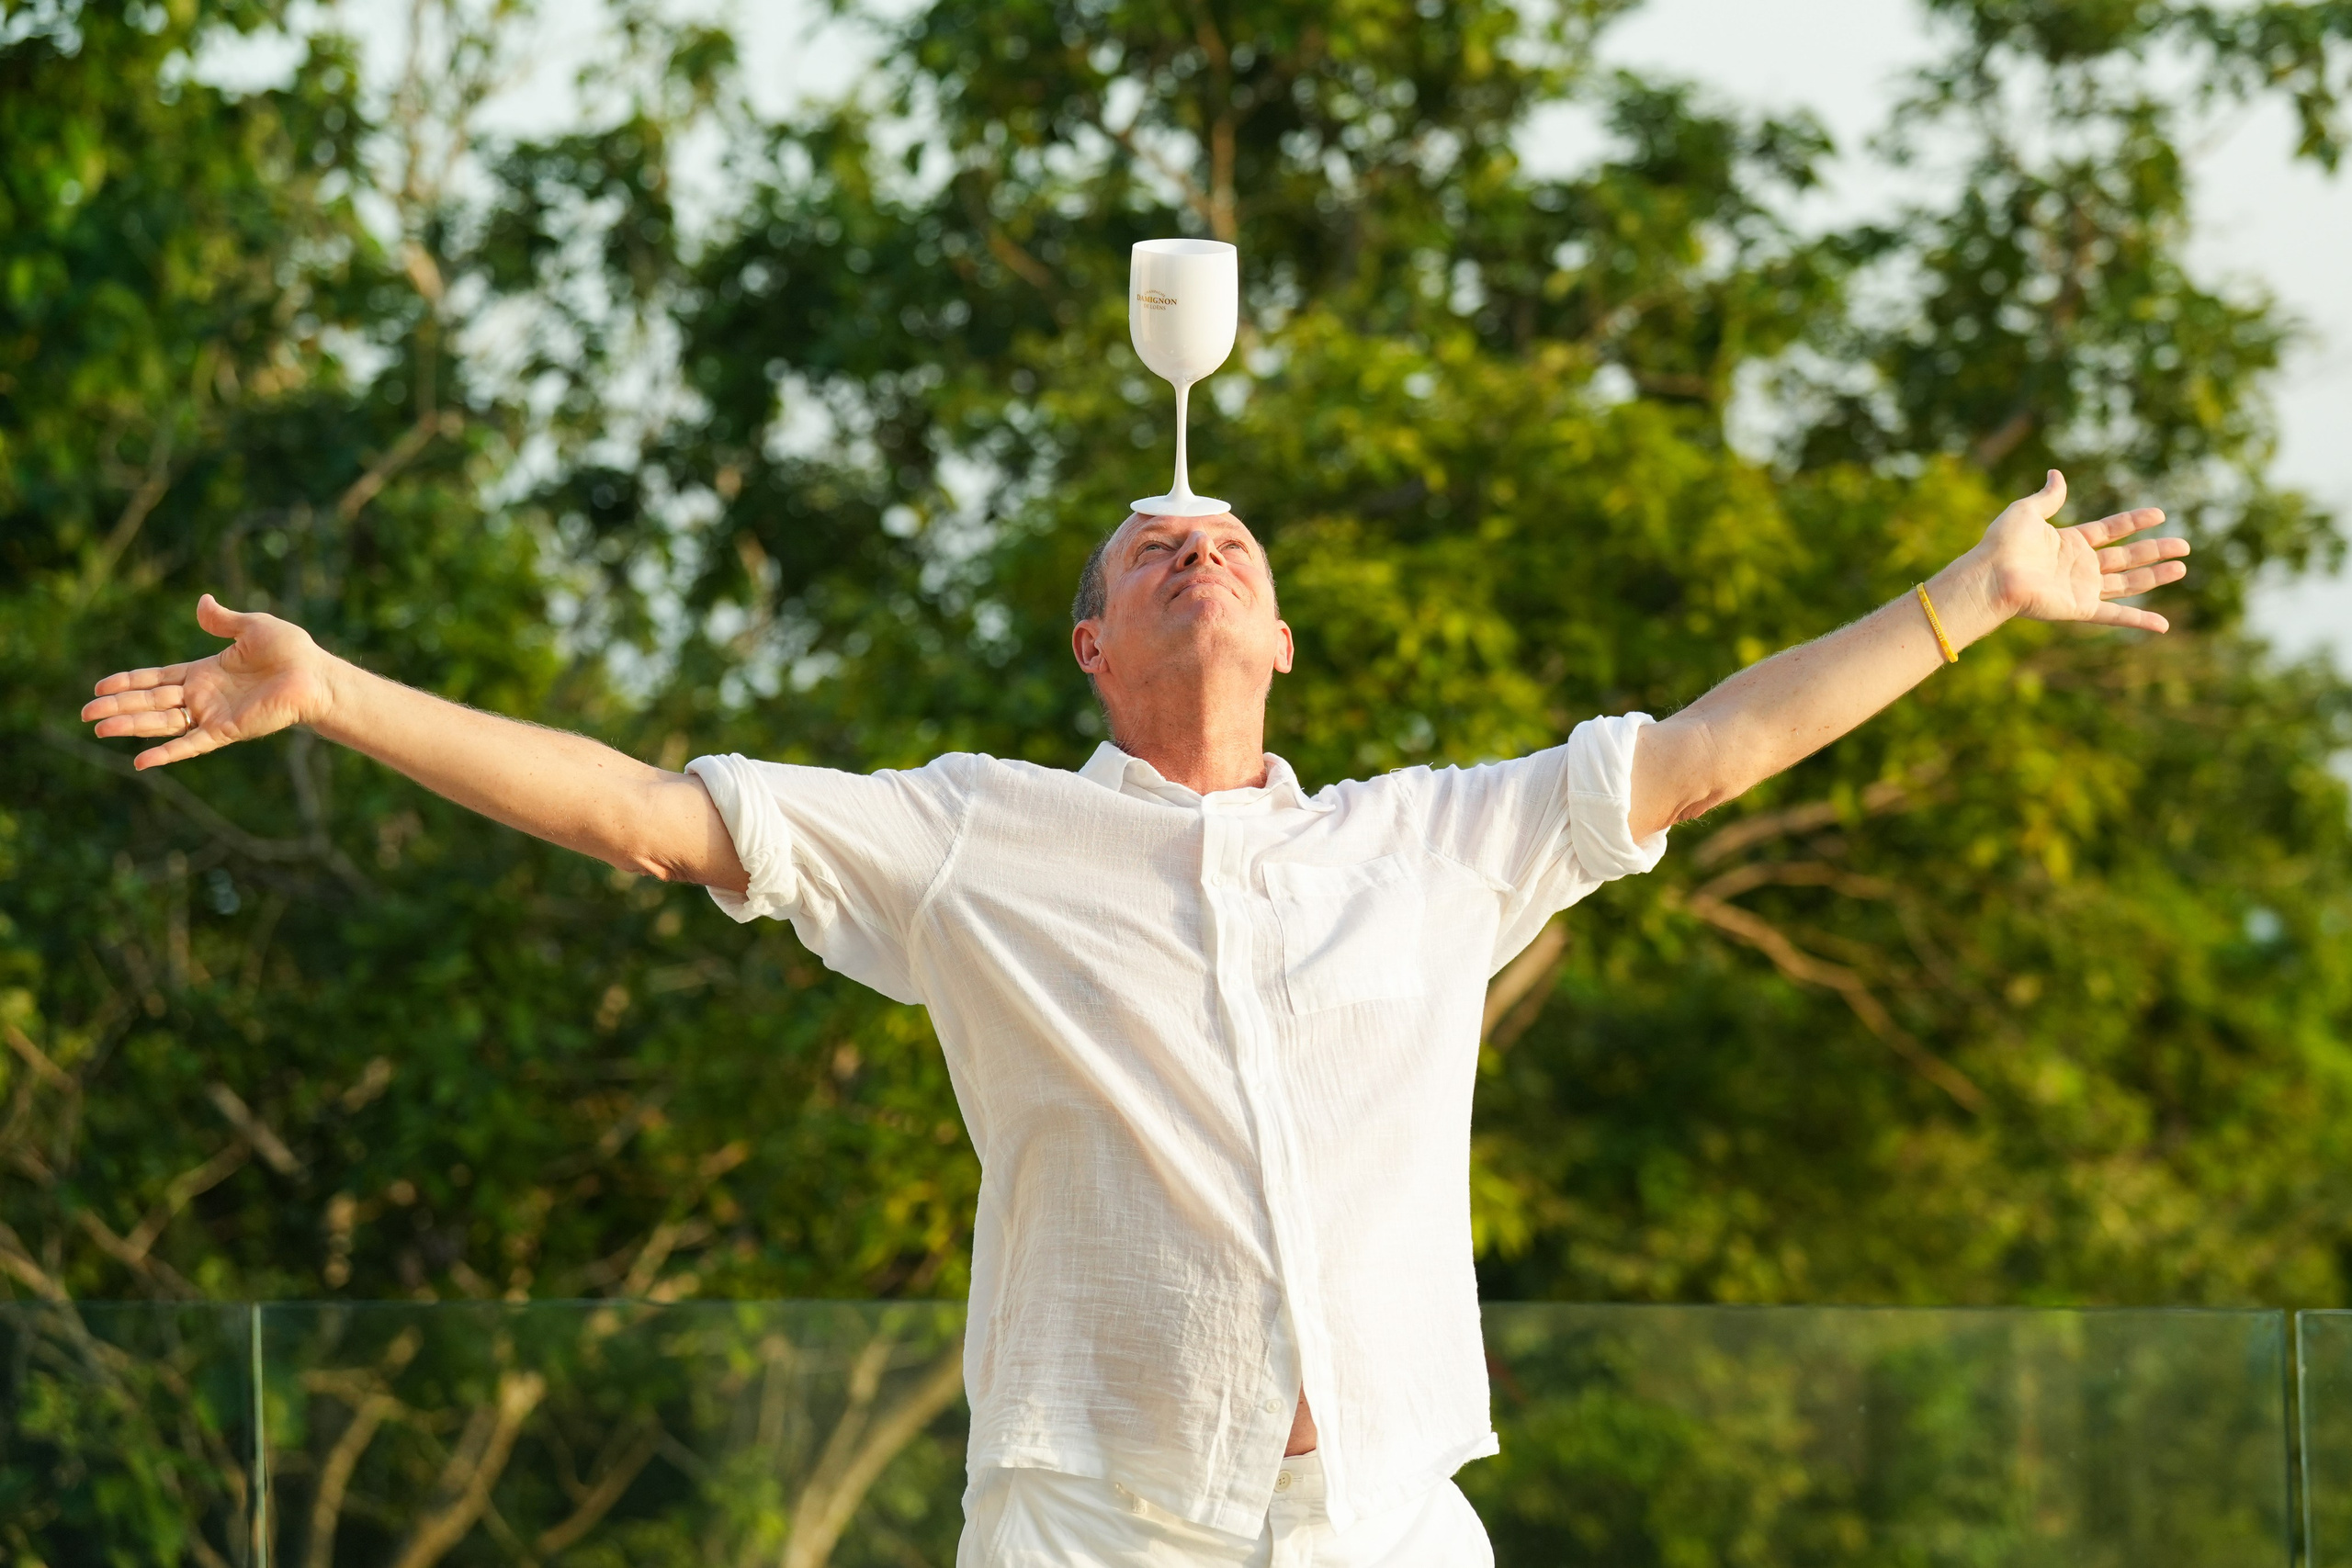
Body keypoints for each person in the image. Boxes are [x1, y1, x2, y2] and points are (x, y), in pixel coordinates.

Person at [81, 468, 2185, 1566]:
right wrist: (332, 690)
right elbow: (644, 813)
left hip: (1373, 1513)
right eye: (1154, 544)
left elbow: (1715, 750)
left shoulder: (1424, 839)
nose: (1202, 544)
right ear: (1095, 641)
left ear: (1276, 631)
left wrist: (1969, 595)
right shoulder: (971, 836)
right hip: (1101, 1511)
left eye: (1230, 541)